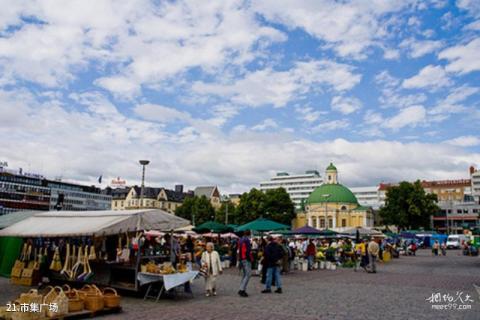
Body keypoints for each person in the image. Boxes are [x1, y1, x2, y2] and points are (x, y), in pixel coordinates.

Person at [237, 230, 253, 297]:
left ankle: (242, 288)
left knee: (244, 275)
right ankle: (242, 289)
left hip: (241, 259)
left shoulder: (240, 240)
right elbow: (248, 251)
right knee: (248, 274)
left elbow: (238, 251)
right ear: (249, 234)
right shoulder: (247, 240)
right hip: (246, 258)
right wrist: (250, 258)